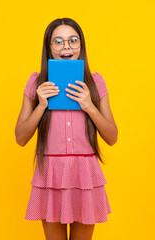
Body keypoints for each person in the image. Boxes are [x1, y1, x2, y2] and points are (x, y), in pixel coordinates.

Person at [15, 17, 118, 240]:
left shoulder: (95, 82)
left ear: (81, 46)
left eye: (73, 40)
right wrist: (41, 105)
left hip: (85, 175)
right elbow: (20, 137)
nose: (66, 47)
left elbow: (112, 137)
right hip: (51, 173)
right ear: (49, 49)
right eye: (58, 42)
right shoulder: (35, 83)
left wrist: (89, 106)